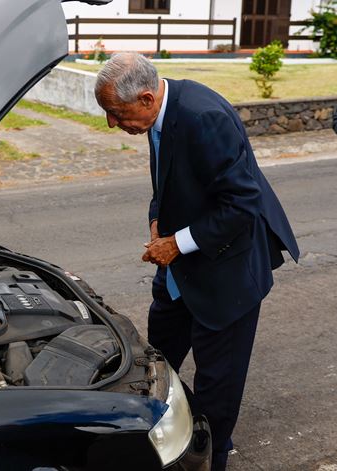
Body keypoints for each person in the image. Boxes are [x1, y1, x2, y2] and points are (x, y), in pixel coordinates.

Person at [94, 52, 299, 471]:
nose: (112, 124)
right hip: (178, 275)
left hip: (227, 277)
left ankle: (211, 457)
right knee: (155, 362)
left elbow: (243, 204)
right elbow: (168, 184)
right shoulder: (158, 115)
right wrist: (156, 223)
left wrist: (177, 244)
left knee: (215, 392)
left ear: (147, 98)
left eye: (116, 113)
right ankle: (160, 439)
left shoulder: (203, 118)